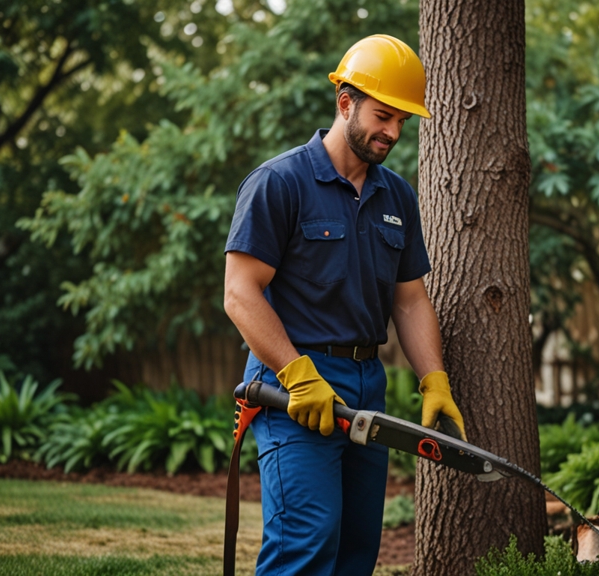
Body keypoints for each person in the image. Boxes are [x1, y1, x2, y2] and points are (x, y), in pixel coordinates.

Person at [223, 34, 467, 576]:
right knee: (306, 544)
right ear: (345, 102)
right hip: (293, 385)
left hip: (365, 384)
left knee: (357, 549)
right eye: (384, 116)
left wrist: (435, 381)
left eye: (404, 121)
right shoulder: (279, 182)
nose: (393, 133)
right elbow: (240, 293)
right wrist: (297, 374)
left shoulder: (397, 195)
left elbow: (409, 299)